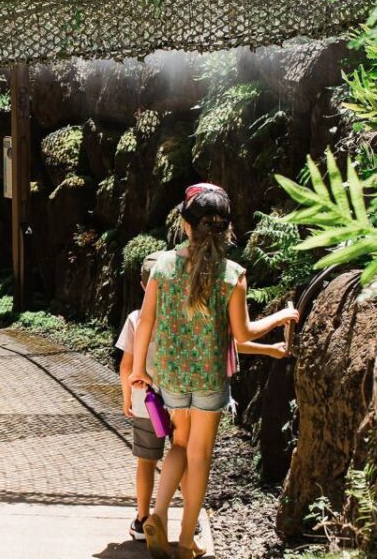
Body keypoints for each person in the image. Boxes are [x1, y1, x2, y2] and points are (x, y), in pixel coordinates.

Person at [129, 183, 299, 559]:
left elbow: (146, 321)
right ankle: (186, 541)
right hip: (208, 377)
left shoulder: (162, 266)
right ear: (226, 229)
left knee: (179, 445)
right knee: (200, 455)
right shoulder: (232, 274)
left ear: (185, 225)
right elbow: (243, 334)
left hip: (171, 374)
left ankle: (157, 515)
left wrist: (138, 368)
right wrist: (281, 316)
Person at [117, 251, 289, 543]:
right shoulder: (207, 290)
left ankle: (146, 517)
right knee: (192, 454)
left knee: (155, 458)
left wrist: (130, 389)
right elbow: (235, 338)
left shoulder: (142, 311)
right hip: (195, 385)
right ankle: (189, 524)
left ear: (145, 284)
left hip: (151, 397)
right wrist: (272, 341)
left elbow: (127, 363)